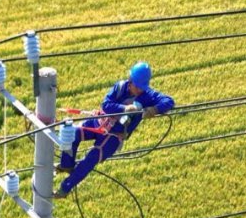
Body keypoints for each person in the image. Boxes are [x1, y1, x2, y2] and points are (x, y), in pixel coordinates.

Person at [56, 61, 174, 197]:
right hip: (99, 122)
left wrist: (154, 109)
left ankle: (65, 188)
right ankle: (66, 164)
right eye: (137, 86)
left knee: (91, 159)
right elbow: (106, 105)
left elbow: (169, 101)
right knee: (72, 134)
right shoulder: (119, 87)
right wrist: (125, 108)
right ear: (130, 80)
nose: (140, 90)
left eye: (142, 87)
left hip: (113, 136)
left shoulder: (148, 95)